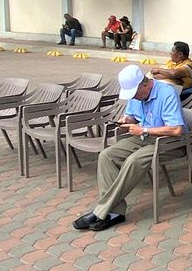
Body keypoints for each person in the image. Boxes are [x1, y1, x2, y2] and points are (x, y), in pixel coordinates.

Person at [72, 65, 185, 232]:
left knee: (133, 161)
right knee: (106, 156)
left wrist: (143, 130)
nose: (134, 97)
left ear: (145, 84)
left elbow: (176, 130)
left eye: (135, 93)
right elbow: (132, 116)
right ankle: (115, 212)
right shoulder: (137, 94)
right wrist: (126, 120)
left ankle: (100, 211)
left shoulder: (167, 92)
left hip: (169, 143)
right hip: (144, 137)